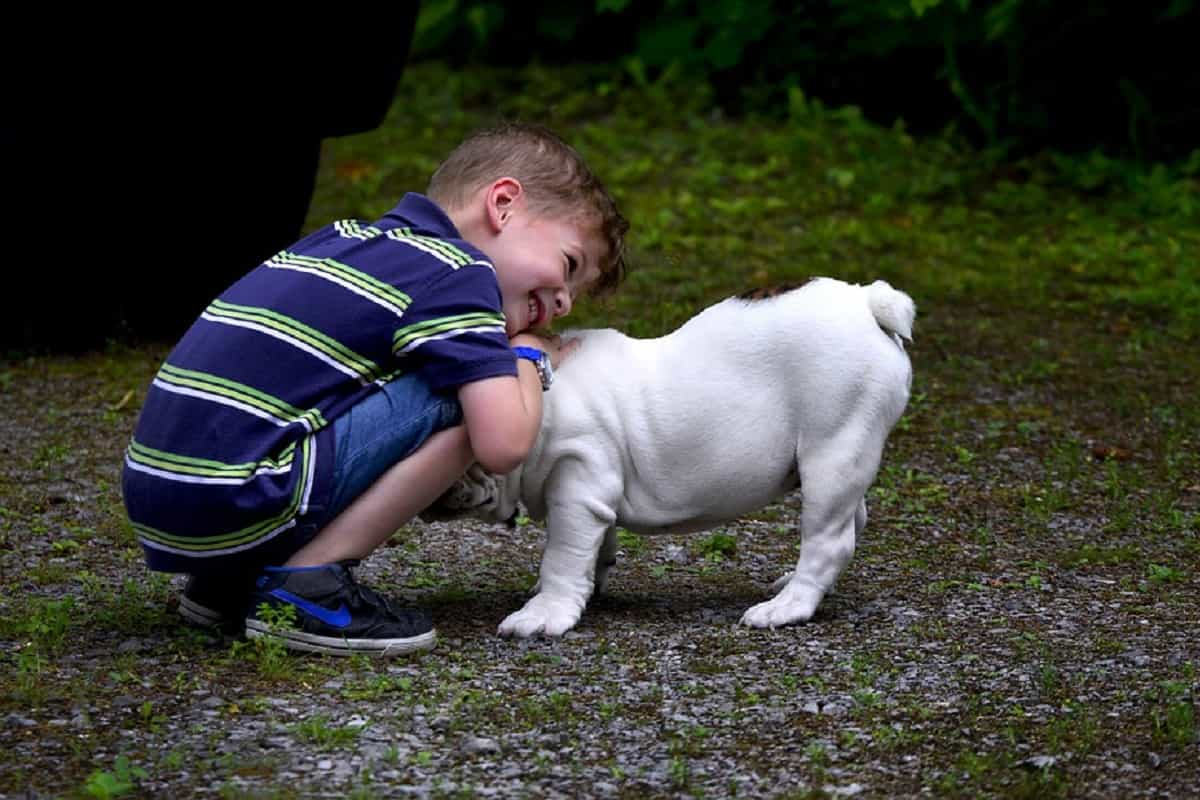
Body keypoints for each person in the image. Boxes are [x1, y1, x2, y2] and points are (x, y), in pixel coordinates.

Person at [121, 122, 629, 656]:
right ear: (502, 204)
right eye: (569, 266)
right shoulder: (458, 274)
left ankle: (229, 584)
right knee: (464, 392)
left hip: (165, 499)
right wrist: (525, 356)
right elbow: (503, 444)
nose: (566, 303)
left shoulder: (341, 240)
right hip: (240, 495)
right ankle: (306, 585)